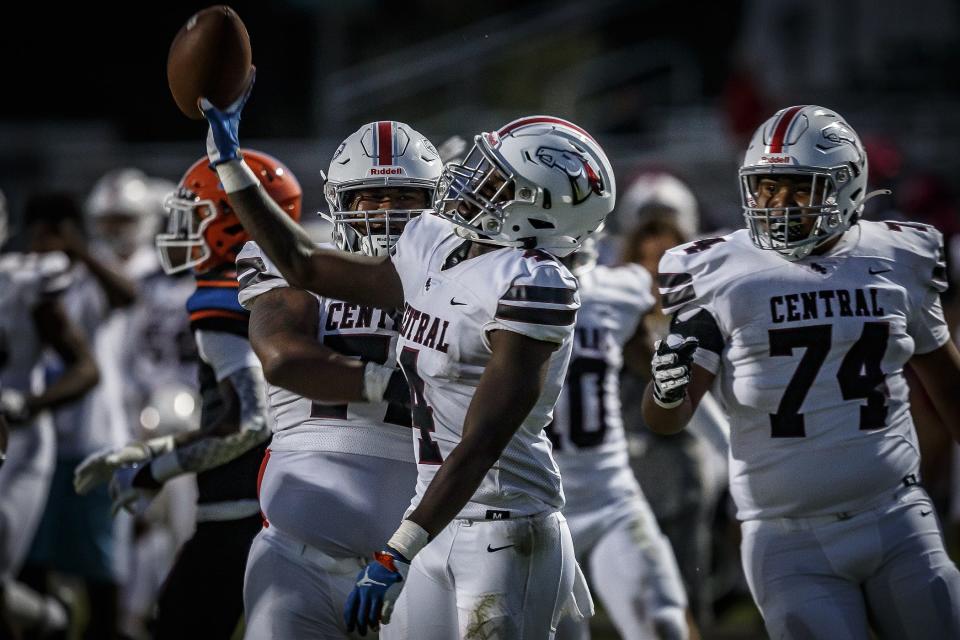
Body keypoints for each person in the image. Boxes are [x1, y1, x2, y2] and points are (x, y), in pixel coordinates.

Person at [201, 79, 615, 638]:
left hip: (499, 520)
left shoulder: (532, 282)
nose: (472, 182)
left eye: (495, 180)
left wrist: (396, 551)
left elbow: (481, 443)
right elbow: (303, 264)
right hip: (435, 529)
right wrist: (231, 165)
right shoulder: (437, 248)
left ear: (535, 213)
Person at [643, 104, 960, 639]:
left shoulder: (897, 257)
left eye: (797, 188)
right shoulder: (719, 270)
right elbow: (666, 420)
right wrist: (666, 388)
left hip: (898, 516)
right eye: (766, 189)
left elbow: (951, 392)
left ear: (846, 187)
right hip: (788, 539)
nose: (777, 205)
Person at [73, 150, 302, 638]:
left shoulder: (223, 295)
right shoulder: (289, 284)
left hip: (238, 506)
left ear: (235, 221)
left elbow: (247, 422)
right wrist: (147, 450)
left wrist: (154, 470)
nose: (181, 229)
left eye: (196, 215)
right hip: (284, 497)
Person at [237, 120, 439, 639]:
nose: (387, 212)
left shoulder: (462, 277)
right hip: (295, 554)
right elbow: (282, 356)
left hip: (423, 558)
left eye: (404, 196)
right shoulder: (294, 262)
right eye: (369, 197)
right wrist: (389, 384)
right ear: (338, 200)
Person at [550, 238, 695, 640]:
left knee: (665, 624)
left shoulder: (617, 290)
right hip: (532, 504)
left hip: (610, 494)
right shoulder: (482, 287)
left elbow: (658, 378)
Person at [0, 192, 101, 636]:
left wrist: (27, 403)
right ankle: (48, 618)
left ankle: (51, 622)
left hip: (15, 443)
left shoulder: (23, 283)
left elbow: (86, 368)